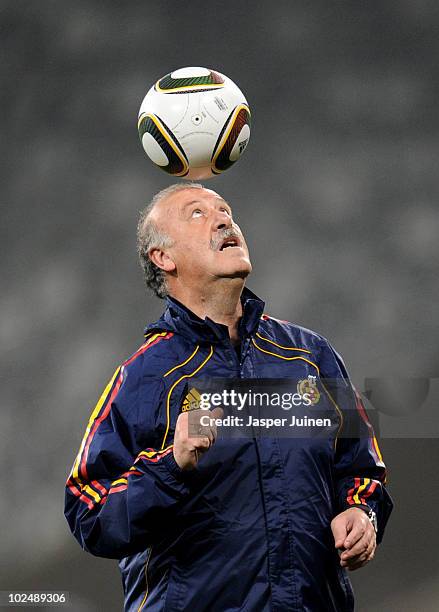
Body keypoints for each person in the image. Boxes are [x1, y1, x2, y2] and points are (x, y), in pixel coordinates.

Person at [65, 183, 393, 611]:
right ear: (163, 258)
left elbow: (361, 470)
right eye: (197, 214)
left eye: (226, 210)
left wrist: (361, 513)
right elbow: (89, 512)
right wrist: (172, 465)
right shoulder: (144, 376)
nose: (224, 219)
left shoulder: (309, 356)